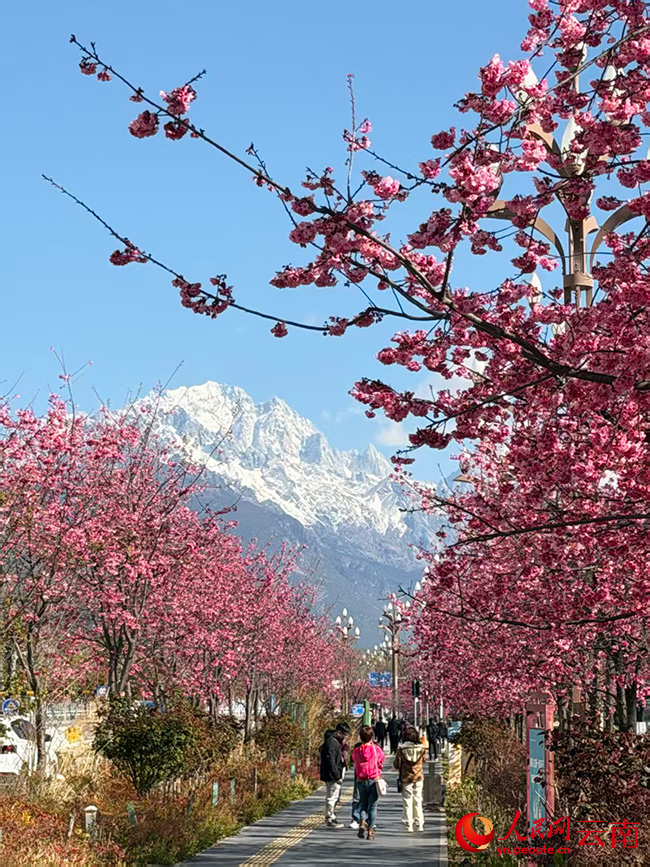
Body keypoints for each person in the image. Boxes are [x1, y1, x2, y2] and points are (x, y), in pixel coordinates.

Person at [351, 724, 385, 841]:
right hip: (373, 780)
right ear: (372, 736)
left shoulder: (356, 751)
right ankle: (370, 830)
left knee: (362, 804)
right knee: (373, 806)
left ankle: (361, 822)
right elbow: (381, 760)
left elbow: (354, 761)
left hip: (361, 780)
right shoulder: (376, 750)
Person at [393, 725, 427, 832]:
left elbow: (396, 764)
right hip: (418, 777)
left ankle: (409, 824)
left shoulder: (401, 749)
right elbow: (424, 760)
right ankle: (420, 823)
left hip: (406, 778)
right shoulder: (421, 749)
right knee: (418, 800)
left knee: (407, 801)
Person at [319, 722, 351, 827]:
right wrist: (337, 776)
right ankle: (330, 818)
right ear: (338, 733)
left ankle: (331, 815)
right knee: (332, 796)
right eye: (344, 734)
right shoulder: (331, 744)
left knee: (334, 796)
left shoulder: (334, 742)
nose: (345, 737)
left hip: (334, 773)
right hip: (332, 774)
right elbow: (331, 761)